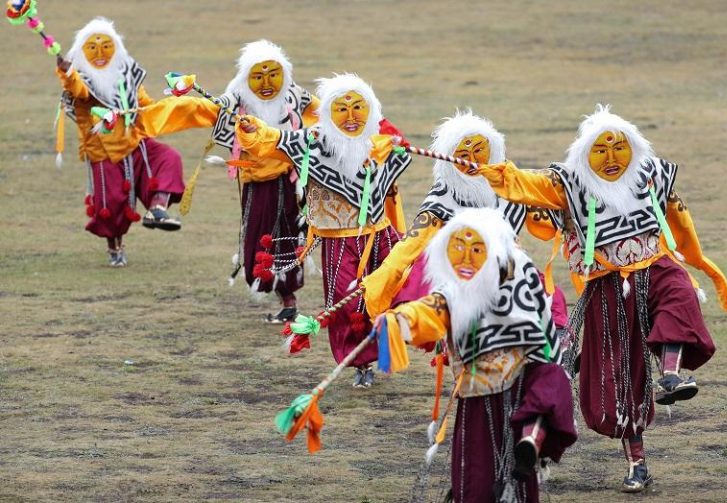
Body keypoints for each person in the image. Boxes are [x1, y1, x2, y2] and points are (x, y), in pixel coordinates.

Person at [475, 104, 727, 492]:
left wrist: (699, 262)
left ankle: (670, 375)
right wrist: (489, 169)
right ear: (585, 154)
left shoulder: (652, 176)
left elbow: (680, 219)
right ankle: (637, 464)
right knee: (619, 377)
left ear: (633, 148)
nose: (612, 158)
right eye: (601, 149)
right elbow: (522, 184)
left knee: (680, 294)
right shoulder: (568, 184)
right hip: (607, 285)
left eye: (619, 147)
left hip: (655, 266)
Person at [374, 208, 576, 502]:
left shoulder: (519, 274)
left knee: (547, 384)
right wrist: (399, 320)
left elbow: (544, 340)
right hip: (475, 399)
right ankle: (530, 438)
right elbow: (430, 310)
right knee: (477, 483)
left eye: (476, 249)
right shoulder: (453, 291)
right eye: (459, 247)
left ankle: (532, 438)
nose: (466, 258)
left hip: (517, 391)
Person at [235, 73, 411, 388]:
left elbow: (402, 148)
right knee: (347, 301)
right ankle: (362, 362)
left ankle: (414, 337)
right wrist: (253, 130)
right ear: (329, 112)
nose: (352, 116)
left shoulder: (379, 140)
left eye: (359, 107)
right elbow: (274, 140)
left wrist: (398, 146)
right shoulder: (313, 141)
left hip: (380, 235)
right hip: (338, 242)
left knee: (405, 286)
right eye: (342, 109)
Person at [361, 110, 570, 338]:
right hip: (463, 277)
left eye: (479, 150)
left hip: (507, 269)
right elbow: (411, 243)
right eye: (463, 153)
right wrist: (383, 277)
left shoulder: (512, 184)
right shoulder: (443, 196)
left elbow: (547, 218)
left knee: (550, 298)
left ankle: (558, 345)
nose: (471, 159)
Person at [158, 40, 320, 321]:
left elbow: (324, 112)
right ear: (247, 78)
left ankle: (289, 300)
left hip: (289, 180)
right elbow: (207, 108)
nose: (267, 83)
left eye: (273, 75)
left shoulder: (293, 95)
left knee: (286, 239)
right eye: (258, 76)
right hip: (255, 182)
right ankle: (273, 288)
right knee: (257, 242)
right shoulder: (237, 99)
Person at [56, 17, 185, 267]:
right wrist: (66, 72)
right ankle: (114, 248)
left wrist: (171, 106)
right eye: (93, 48)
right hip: (103, 151)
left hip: (135, 142)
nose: (101, 53)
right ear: (83, 52)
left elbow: (144, 102)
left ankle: (157, 209)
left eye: (106, 46)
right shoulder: (80, 77)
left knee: (169, 159)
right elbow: (79, 90)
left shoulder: (125, 73)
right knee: (111, 203)